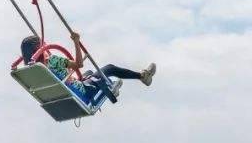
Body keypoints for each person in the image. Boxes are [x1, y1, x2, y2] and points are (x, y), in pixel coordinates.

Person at [16, 32, 155, 100]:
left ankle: (109, 85)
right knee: (109, 68)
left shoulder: (35, 71)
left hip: (67, 93)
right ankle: (142, 76)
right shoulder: (52, 61)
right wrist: (76, 42)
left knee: (89, 73)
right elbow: (79, 64)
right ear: (38, 48)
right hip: (81, 91)